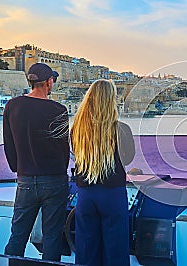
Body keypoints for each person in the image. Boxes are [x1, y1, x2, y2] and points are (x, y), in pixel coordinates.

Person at [3, 63, 70, 261]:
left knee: (18, 235)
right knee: (52, 237)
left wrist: (19, 168)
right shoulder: (59, 109)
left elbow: (9, 144)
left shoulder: (12, 106)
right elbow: (63, 149)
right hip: (54, 180)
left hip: (25, 180)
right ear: (49, 82)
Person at [71, 79, 135, 266]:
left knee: (86, 250)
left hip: (85, 196)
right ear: (111, 100)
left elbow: (76, 153)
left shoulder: (77, 129)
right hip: (112, 195)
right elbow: (128, 158)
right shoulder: (121, 129)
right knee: (115, 251)